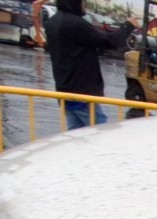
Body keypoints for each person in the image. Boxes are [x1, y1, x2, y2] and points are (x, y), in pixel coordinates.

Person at [44, 0, 138, 129]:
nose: (85, 6)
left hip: (63, 92)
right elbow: (110, 41)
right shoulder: (77, 25)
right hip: (82, 94)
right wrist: (128, 25)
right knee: (99, 134)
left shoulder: (51, 23)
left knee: (77, 136)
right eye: (82, 2)